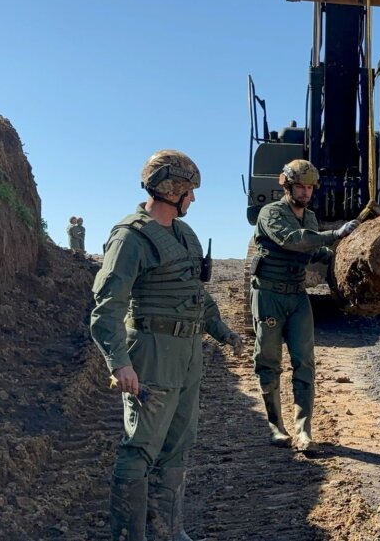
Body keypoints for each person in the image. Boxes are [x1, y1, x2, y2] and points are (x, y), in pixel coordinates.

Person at [90, 149, 244, 540]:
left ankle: (167, 532)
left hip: (188, 353)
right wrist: (119, 363)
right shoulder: (131, 237)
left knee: (177, 444)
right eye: (189, 190)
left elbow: (196, 293)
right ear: (171, 188)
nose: (192, 198)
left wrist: (221, 330)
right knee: (141, 445)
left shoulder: (185, 235)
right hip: (152, 353)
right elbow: (107, 308)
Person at [250, 159, 358, 451]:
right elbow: (292, 240)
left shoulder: (310, 218)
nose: (305, 192)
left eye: (309, 187)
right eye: (300, 185)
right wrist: (334, 235)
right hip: (269, 295)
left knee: (305, 363)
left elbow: (310, 250)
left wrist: (340, 256)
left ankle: (304, 431)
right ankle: (276, 427)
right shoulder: (270, 213)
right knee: (269, 362)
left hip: (297, 296)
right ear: (286, 185)